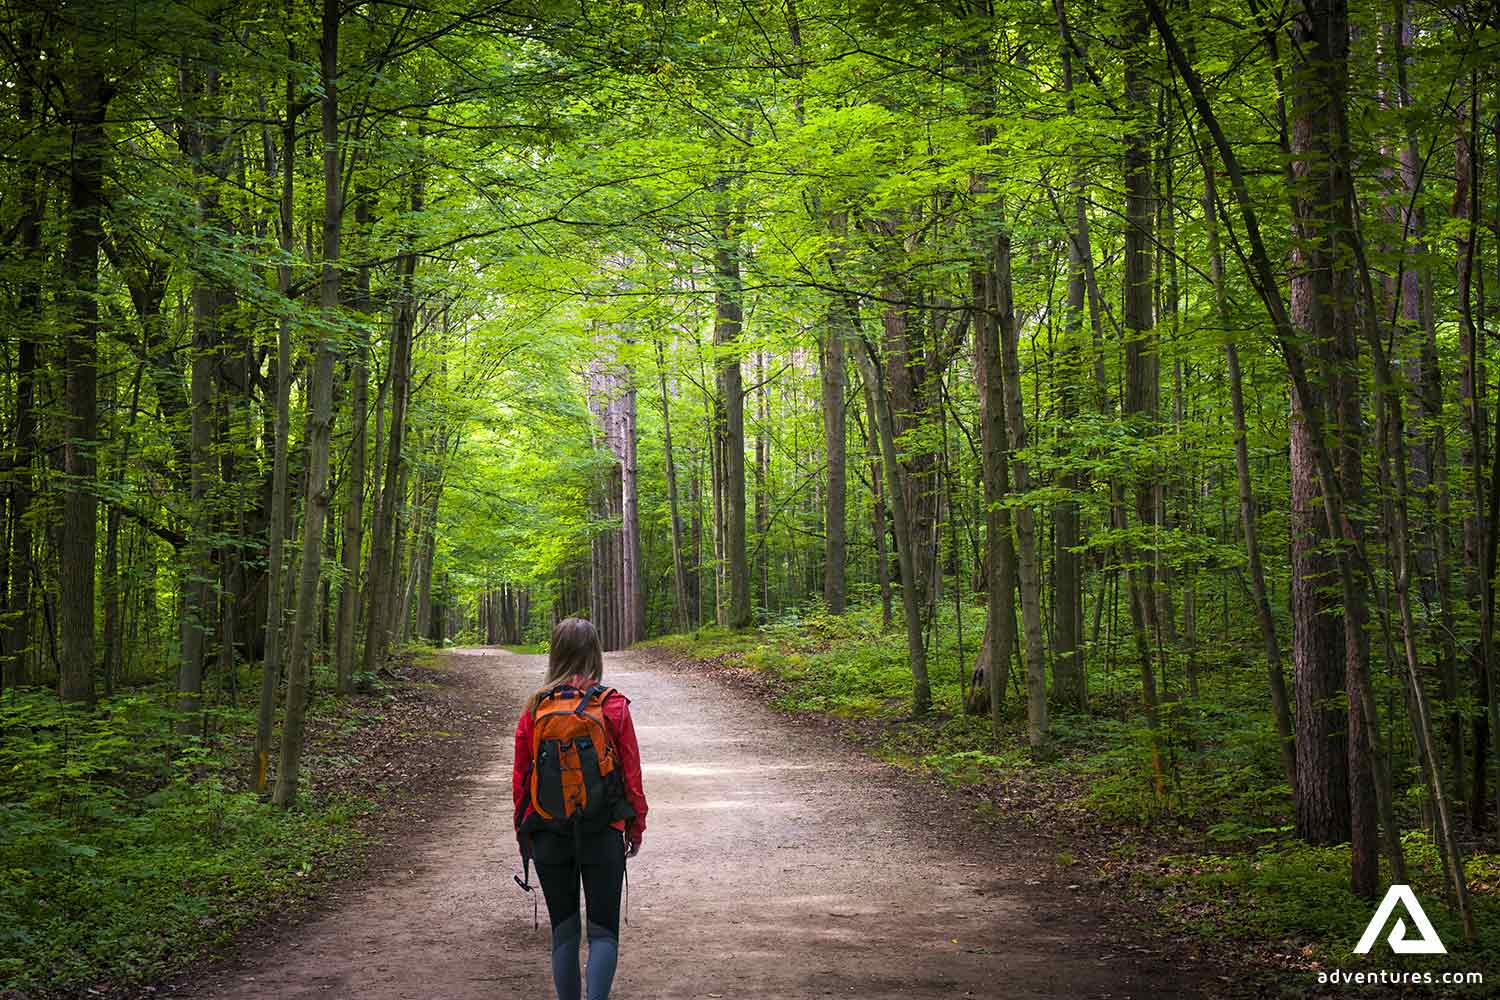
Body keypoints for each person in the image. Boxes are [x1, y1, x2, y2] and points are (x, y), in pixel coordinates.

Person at [513, 617, 648, 1000]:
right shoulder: (613, 705)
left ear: (555, 653)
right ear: (595, 652)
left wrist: (524, 833)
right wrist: (634, 826)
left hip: (547, 830)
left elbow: (521, 778)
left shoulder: (535, 707)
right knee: (604, 930)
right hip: (603, 829)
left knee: (565, 931)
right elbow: (632, 775)